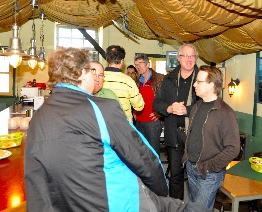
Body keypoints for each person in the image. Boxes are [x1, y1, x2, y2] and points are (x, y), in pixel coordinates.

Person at [24, 47, 211, 212]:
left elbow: (34, 178)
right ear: (81, 73)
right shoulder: (102, 108)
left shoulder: (38, 116)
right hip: (117, 201)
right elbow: (143, 158)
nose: (96, 77)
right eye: (91, 71)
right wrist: (159, 194)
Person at [182, 65, 240, 210]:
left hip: (208, 173)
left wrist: (209, 167)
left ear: (211, 85)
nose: (194, 84)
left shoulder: (226, 113)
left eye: (199, 81)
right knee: (195, 206)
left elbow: (233, 148)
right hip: (191, 167)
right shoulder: (196, 107)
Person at [153, 44, 199, 200]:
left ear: (196, 59)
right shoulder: (169, 79)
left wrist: (188, 110)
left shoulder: (202, 79)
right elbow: (156, 104)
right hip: (174, 135)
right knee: (175, 176)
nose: (189, 59)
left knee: (197, 177)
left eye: (192, 56)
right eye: (185, 56)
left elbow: (209, 105)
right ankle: (176, 207)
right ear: (179, 59)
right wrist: (170, 108)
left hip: (195, 137)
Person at [103, 45, 144, 122]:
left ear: (107, 60)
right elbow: (139, 106)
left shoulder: (99, 78)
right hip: (124, 126)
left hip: (104, 125)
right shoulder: (129, 81)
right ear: (122, 61)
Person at [134, 53, 164, 156]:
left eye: (141, 63)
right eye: (136, 64)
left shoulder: (160, 79)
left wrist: (160, 114)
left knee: (153, 153)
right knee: (141, 153)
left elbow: (167, 99)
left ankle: (156, 172)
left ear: (148, 64)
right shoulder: (137, 82)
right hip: (139, 122)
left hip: (153, 123)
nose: (138, 66)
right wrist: (134, 112)